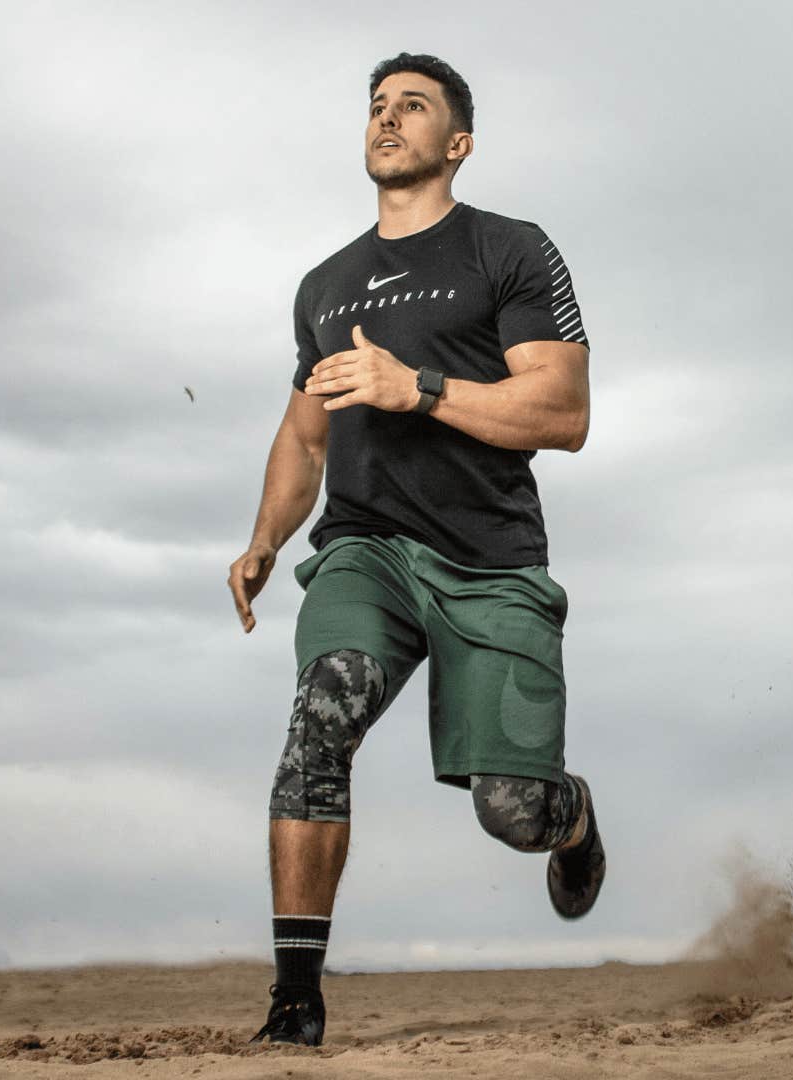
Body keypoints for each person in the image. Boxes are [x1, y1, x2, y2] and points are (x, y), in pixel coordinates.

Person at [225, 52, 603, 1048]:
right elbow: (305, 434)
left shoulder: (509, 249)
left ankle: (571, 817)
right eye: (378, 106)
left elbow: (564, 414)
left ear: (459, 142)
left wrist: (420, 389)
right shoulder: (326, 285)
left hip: (490, 560)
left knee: (511, 811)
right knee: (322, 713)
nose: (389, 119)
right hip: (367, 550)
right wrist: (268, 536)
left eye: (415, 106)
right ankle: (295, 1004)